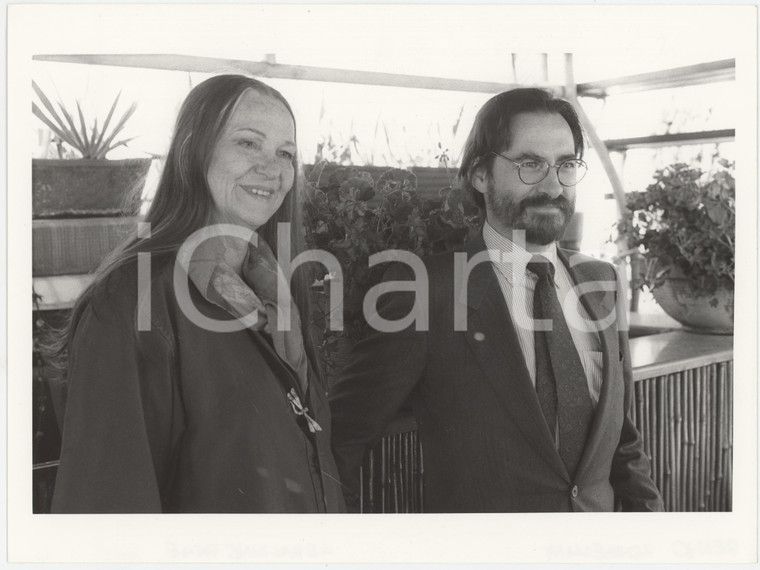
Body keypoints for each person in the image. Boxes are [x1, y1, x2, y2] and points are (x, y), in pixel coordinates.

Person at [329, 88, 664, 512]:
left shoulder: (603, 283)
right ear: (480, 175)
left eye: (565, 165)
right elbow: (343, 437)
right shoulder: (425, 291)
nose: (552, 185)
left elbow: (622, 442)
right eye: (529, 164)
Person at [50, 75, 345, 513]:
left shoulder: (275, 292)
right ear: (194, 150)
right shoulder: (134, 299)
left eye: (285, 153)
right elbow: (105, 506)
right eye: (248, 143)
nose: (272, 168)